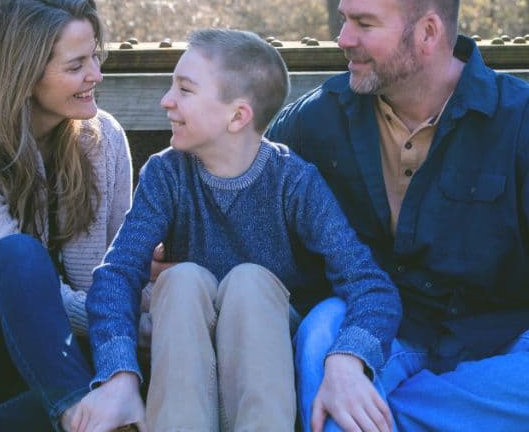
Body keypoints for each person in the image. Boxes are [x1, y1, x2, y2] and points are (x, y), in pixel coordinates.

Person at [70, 28, 401, 432]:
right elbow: (117, 274)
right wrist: (118, 371)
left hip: (266, 362)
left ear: (238, 116)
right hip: (187, 361)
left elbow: (370, 284)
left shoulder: (293, 182)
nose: (166, 101)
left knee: (250, 281)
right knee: (182, 280)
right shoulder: (166, 173)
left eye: (185, 90)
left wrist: (350, 354)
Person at [267, 0, 529, 431]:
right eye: (344, 20)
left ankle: (390, 414)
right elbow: (250, 208)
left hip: (502, 339)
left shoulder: (520, 122)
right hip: (372, 334)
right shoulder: (314, 121)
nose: (343, 38)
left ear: (428, 32)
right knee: (322, 331)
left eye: (364, 24)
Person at [0, 0, 133, 431]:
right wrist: (121, 324)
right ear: (22, 75)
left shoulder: (105, 140)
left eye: (95, 57)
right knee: (21, 256)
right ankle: (79, 415)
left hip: (49, 345)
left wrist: (130, 326)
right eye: (77, 65)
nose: (95, 75)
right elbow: (18, 282)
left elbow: (109, 272)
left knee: (143, 368)